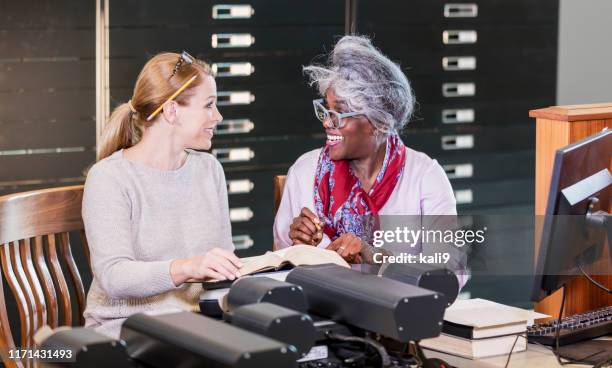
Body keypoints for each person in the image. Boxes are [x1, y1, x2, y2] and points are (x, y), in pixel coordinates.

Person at [82, 52, 242, 338]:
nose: (217, 116)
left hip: (197, 325)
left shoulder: (209, 170)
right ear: (171, 111)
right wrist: (189, 267)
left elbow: (222, 262)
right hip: (125, 330)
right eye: (208, 105)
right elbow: (114, 277)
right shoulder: (109, 178)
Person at [273, 36, 459, 268]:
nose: (327, 123)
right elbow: (279, 263)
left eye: (339, 113)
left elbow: (452, 270)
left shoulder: (424, 176)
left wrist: (376, 257)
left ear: (379, 123)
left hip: (399, 303)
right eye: (326, 109)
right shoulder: (304, 171)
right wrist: (298, 246)